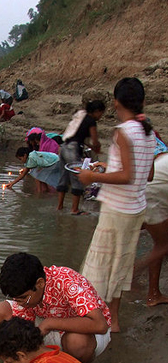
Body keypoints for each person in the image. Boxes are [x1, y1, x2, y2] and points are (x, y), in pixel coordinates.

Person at [78, 78, 156, 332]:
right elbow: (147, 174)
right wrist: (107, 168)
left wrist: (92, 176)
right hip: (136, 208)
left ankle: (92, 319)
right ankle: (115, 320)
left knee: (99, 264)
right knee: (120, 263)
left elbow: (127, 176)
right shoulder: (148, 132)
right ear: (141, 102)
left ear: (115, 102)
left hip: (117, 209)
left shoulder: (123, 132)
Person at [0, 253, 110, 363]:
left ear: (40, 284)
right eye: (15, 298)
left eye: (23, 298)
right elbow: (15, 345)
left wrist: (49, 324)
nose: (18, 302)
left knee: (77, 342)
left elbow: (100, 325)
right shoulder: (28, 298)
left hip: (84, 330)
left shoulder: (67, 282)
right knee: (0, 311)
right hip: (45, 323)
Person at [57, 100, 106, 215]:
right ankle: (74, 209)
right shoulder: (91, 121)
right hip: (73, 149)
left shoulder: (81, 117)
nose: (101, 116)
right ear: (97, 111)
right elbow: (94, 140)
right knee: (77, 177)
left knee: (63, 177)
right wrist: (97, 148)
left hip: (64, 147)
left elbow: (79, 137)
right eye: (101, 113)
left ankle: (59, 206)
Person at [139, 145, 168, 306]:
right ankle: (138, 272)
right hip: (153, 194)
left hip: (143, 190)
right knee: (163, 245)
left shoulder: (164, 155)